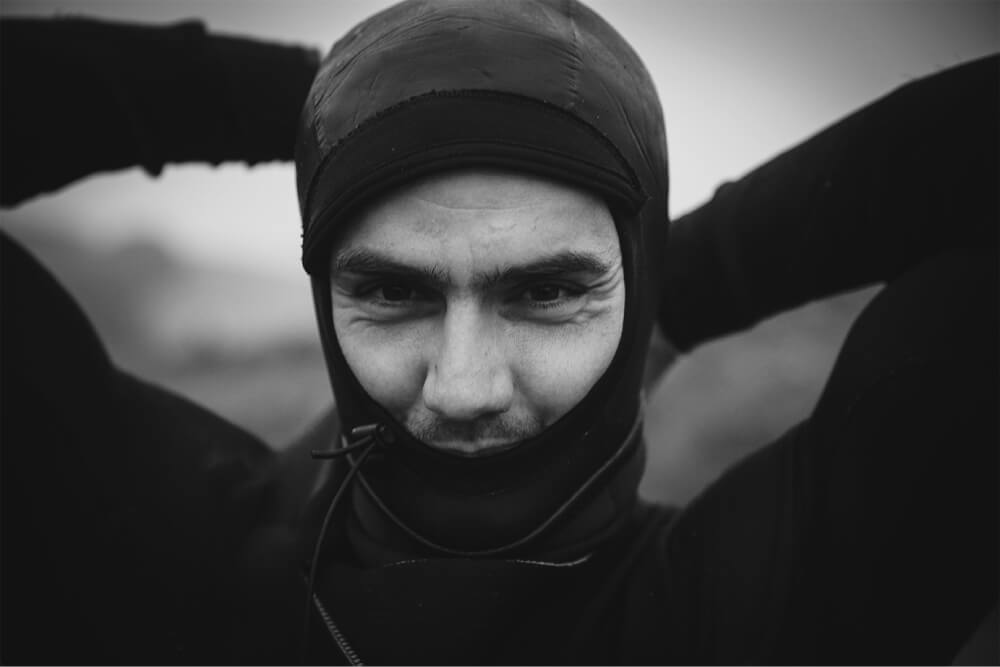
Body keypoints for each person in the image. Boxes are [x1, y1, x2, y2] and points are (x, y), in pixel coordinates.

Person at [1, 2, 995, 664]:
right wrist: (342, 101)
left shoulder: (760, 610)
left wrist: (685, 285)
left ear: (634, 291)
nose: (463, 388)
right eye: (391, 291)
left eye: (550, 290)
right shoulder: (150, 555)